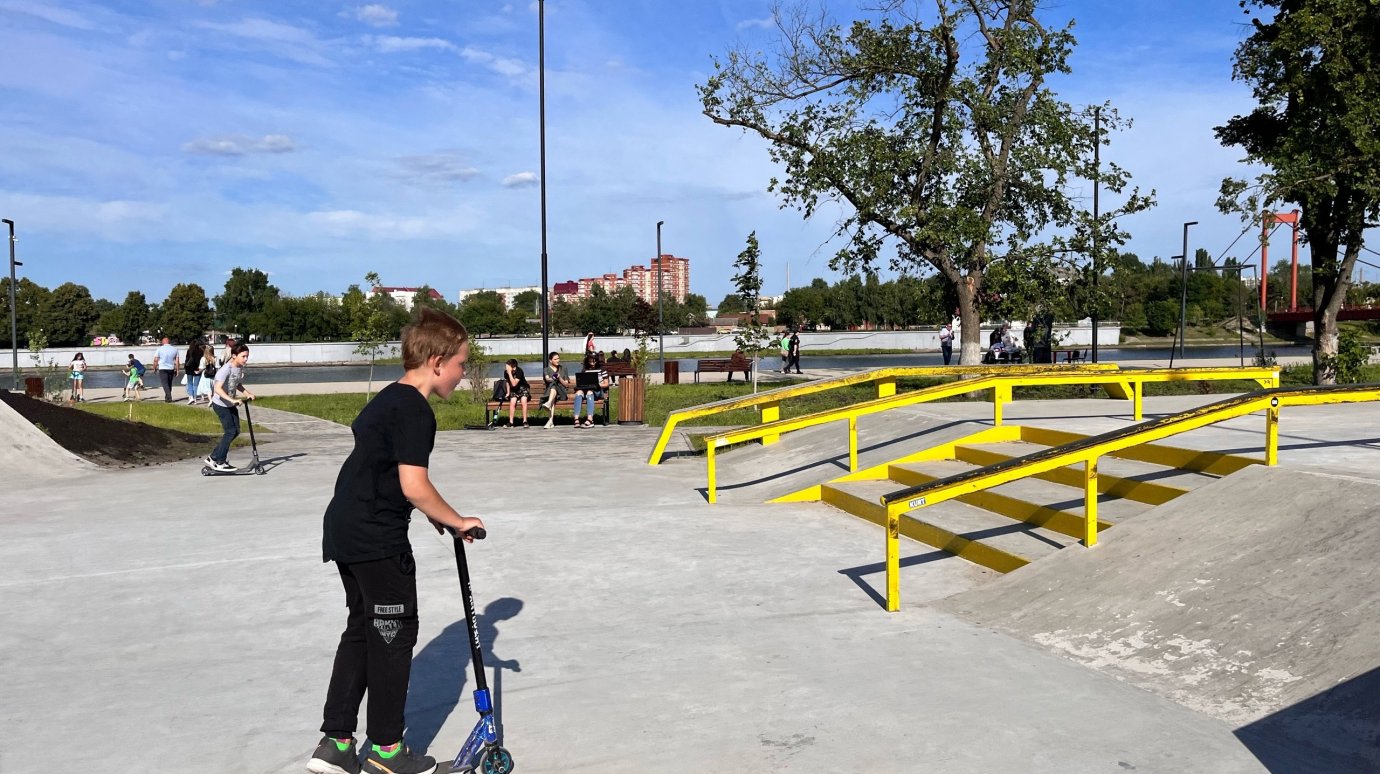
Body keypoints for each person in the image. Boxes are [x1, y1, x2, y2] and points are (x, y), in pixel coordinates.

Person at [309, 307, 485, 774]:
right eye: (462, 364)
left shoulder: (389, 397)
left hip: (346, 526)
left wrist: (432, 515)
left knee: (363, 629)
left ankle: (337, 743)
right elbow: (412, 483)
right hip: (376, 536)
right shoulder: (416, 411)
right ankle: (387, 752)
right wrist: (457, 519)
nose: (463, 374)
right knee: (392, 635)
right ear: (436, 361)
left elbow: (382, 470)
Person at [206, 342, 255, 472]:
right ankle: (219, 461)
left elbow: (236, 384)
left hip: (230, 403)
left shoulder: (238, 368)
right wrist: (232, 400)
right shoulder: (225, 370)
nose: (246, 359)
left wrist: (247, 393)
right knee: (230, 431)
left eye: (247, 356)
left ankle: (214, 457)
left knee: (236, 430)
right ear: (234, 356)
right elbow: (217, 389)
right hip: (221, 404)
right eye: (243, 356)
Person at [572, 353, 610, 428]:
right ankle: (576, 419)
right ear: (587, 361)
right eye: (590, 362)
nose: (592, 363)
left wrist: (598, 384)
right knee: (579, 393)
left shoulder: (602, 369)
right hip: (586, 390)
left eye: (594, 361)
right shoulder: (585, 369)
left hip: (598, 391)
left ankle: (590, 419)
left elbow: (606, 384)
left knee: (590, 392)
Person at [502, 358, 531, 427]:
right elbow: (508, 382)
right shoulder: (506, 372)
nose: (506, 368)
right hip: (514, 390)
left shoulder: (519, 371)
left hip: (523, 388)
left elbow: (514, 383)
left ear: (513, 366)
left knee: (523, 400)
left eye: (508, 366)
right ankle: (511, 422)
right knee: (512, 402)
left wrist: (509, 373)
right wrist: (508, 393)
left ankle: (525, 421)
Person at [152, 336, 180, 402]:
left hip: (162, 368)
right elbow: (177, 361)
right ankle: (167, 398)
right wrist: (177, 370)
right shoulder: (175, 349)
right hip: (171, 368)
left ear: (163, 342)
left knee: (164, 383)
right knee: (169, 383)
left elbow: (156, 360)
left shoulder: (159, 349)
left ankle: (169, 396)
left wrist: (154, 368)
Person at [184, 339, 204, 405]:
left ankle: (191, 397)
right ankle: (195, 398)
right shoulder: (201, 351)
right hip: (198, 368)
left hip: (189, 368)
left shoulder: (189, 351)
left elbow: (187, 360)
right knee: (196, 384)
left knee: (190, 383)